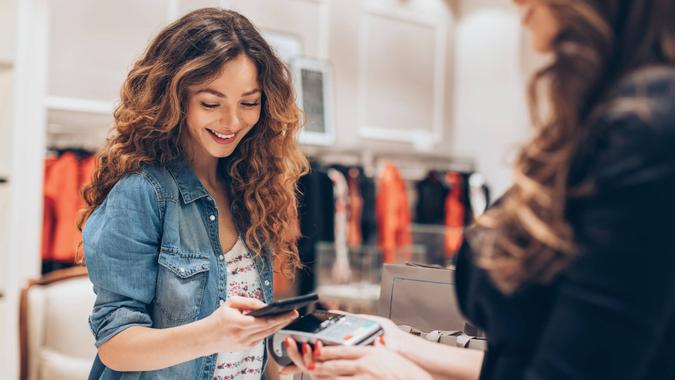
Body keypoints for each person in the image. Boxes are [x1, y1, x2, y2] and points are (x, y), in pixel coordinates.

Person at [286, 0, 675, 378]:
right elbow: (525, 357)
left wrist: (398, 374)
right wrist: (399, 343)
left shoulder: (646, 130)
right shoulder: (604, 120)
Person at [78, 8, 309, 379]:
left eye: (249, 103)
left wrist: (282, 361)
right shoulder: (144, 193)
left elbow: (238, 353)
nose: (232, 122)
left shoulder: (250, 191)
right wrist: (212, 334)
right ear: (174, 97)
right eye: (211, 103)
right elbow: (115, 344)